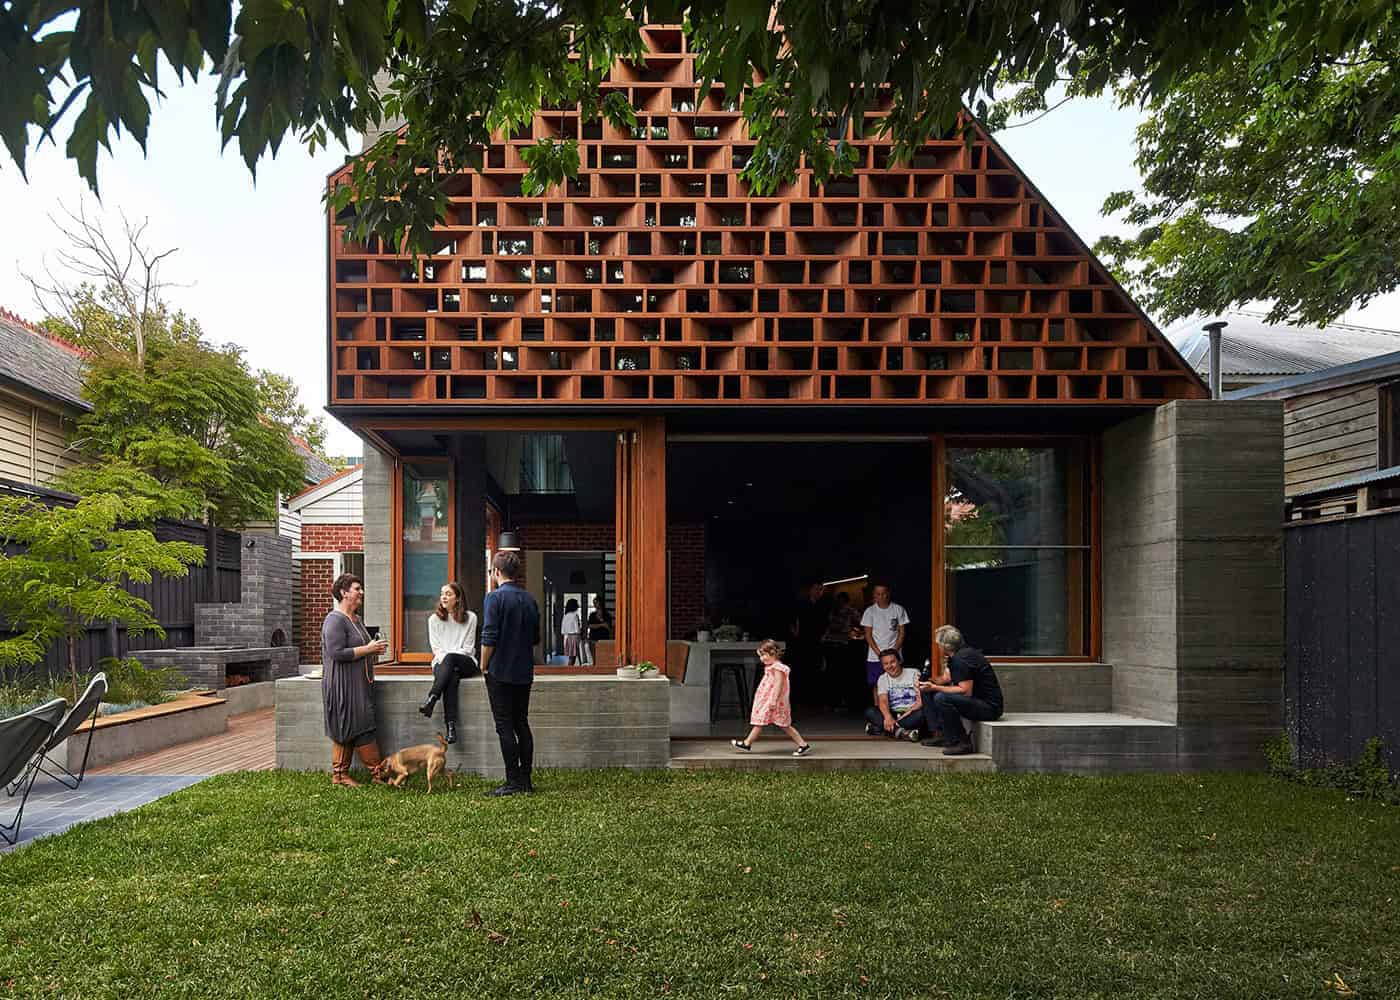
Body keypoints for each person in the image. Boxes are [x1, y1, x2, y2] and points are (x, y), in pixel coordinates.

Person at [480, 550, 541, 796]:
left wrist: (483, 665)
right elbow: (535, 638)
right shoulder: (529, 599)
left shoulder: (494, 599)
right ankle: (525, 781)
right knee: (521, 723)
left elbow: (489, 637)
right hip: (524, 671)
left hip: (500, 672)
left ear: (496, 572)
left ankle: (512, 782)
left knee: (504, 726)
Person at [320, 573, 389, 787]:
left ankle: (376, 773)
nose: (362, 593)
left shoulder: (356, 619)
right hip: (342, 683)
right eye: (357, 589)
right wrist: (368, 649)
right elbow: (337, 652)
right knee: (347, 723)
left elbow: (361, 649)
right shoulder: (334, 620)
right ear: (343, 592)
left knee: (361, 722)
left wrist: (374, 649)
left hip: (358, 682)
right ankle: (341, 775)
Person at [919, 624, 1004, 756]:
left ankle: (963, 742)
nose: (938, 647)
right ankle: (945, 734)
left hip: (989, 708)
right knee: (928, 692)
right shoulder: (958, 655)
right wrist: (929, 682)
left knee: (941, 698)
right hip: (977, 701)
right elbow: (946, 678)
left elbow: (965, 691)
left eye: (939, 644)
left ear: (945, 646)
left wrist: (935, 687)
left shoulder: (961, 659)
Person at [418, 581, 480, 744]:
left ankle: (432, 697)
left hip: (466, 662)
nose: (443, 597)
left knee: (451, 660)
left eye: (448, 594)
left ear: (458, 599)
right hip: (441, 662)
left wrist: (450, 659)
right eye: (442, 594)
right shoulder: (434, 620)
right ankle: (451, 727)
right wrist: (448, 661)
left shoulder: (471, 617)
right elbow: (437, 649)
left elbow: (467, 648)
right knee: (451, 677)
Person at [731, 639, 811, 757]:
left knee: (784, 725)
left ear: (773, 653)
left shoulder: (778, 668)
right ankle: (747, 743)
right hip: (768, 700)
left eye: (764, 655)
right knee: (761, 722)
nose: (761, 658)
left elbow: (779, 684)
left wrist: (773, 700)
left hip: (774, 701)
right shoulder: (771, 667)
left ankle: (803, 744)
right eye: (760, 656)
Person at [863, 649, 933, 742]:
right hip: (893, 714)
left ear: (899, 661)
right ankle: (902, 733)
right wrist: (888, 717)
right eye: (886, 664)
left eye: (892, 662)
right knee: (870, 711)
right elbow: (883, 701)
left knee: (922, 714)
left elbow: (920, 701)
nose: (890, 666)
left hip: (911, 713)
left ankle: (880, 729)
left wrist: (898, 720)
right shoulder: (882, 678)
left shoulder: (914, 673)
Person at [860, 582, 909, 706]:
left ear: (888, 594)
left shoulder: (898, 609)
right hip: (874, 657)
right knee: (877, 685)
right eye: (878, 594)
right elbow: (868, 635)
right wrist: (880, 654)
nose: (881, 596)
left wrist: (893, 652)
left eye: (884, 593)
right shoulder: (869, 612)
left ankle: (896, 711)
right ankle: (879, 712)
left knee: (896, 684)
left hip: (895, 655)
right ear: (874, 595)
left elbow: (901, 633)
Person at [788, 580, 831, 705]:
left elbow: (827, 623)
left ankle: (813, 700)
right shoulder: (801, 604)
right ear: (810, 590)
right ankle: (799, 699)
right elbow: (793, 621)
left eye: (821, 590)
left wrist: (824, 635)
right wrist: (795, 632)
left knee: (815, 669)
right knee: (800, 669)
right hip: (801, 641)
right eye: (816, 589)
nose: (819, 592)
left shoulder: (823, 606)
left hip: (817, 642)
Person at [821, 591, 864, 710]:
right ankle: (836, 701)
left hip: (837, 644)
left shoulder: (844, 611)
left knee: (837, 674)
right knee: (837, 674)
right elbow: (861, 624)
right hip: (836, 644)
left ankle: (837, 701)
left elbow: (861, 625)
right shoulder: (838, 611)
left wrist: (854, 632)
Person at [586, 596, 612, 666]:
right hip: (593, 638)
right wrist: (601, 625)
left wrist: (601, 620)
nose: (595, 604)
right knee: (594, 656)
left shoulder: (607, 615)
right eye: (593, 603)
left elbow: (609, 627)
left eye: (596, 602)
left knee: (603, 656)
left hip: (604, 638)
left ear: (600, 603)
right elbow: (590, 626)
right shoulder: (592, 615)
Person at [560, 598, 583, 666]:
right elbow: (577, 629)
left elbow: (563, 630)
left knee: (571, 656)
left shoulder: (565, 616)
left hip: (567, 637)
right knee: (578, 655)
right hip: (574, 637)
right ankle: (578, 669)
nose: (578, 606)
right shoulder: (575, 615)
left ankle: (570, 669)